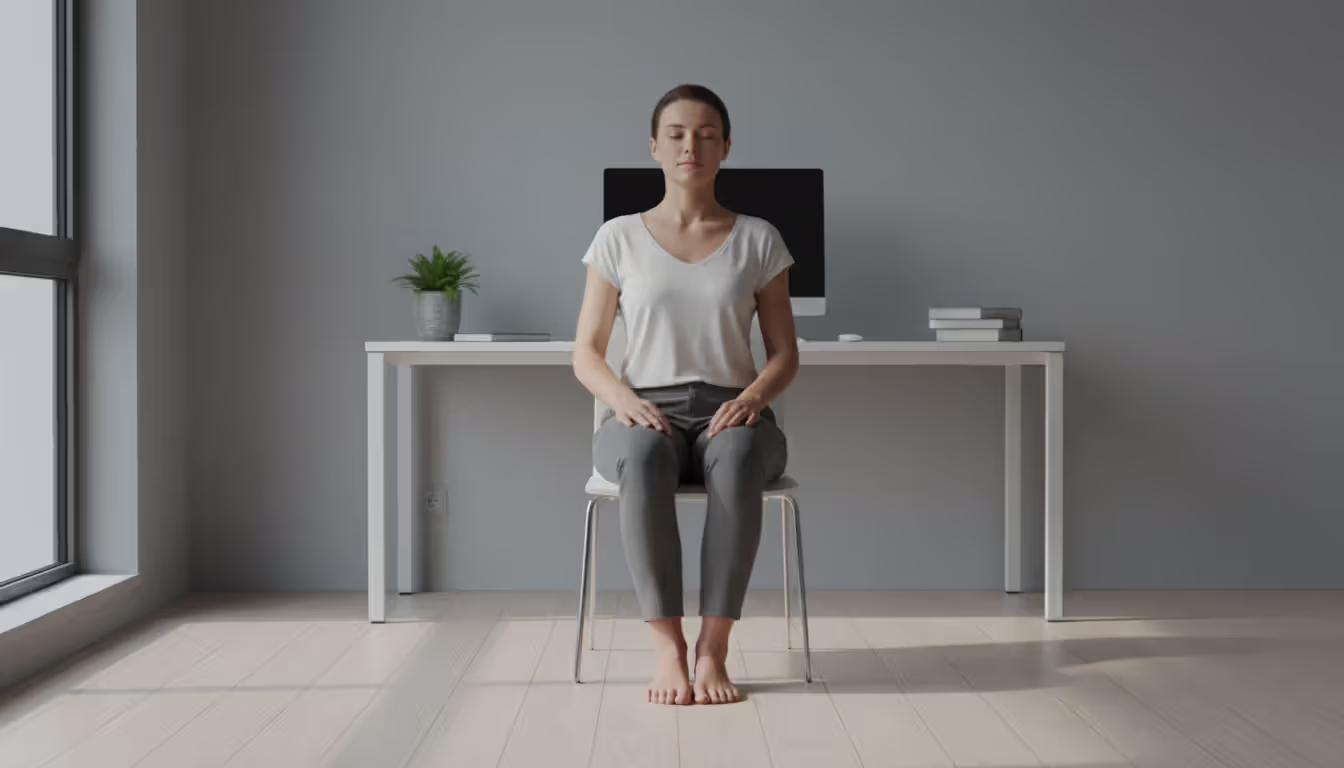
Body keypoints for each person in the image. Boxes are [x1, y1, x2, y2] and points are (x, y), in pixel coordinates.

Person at [572, 84, 800, 705]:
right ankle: (669, 649)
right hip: (645, 409)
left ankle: (714, 650)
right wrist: (622, 401)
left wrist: (752, 399)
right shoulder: (617, 238)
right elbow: (586, 353)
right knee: (643, 458)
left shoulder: (759, 239)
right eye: (675, 134)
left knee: (741, 456)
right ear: (654, 146)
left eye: (705, 134)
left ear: (726, 147)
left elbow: (785, 353)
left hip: (735, 407)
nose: (690, 146)